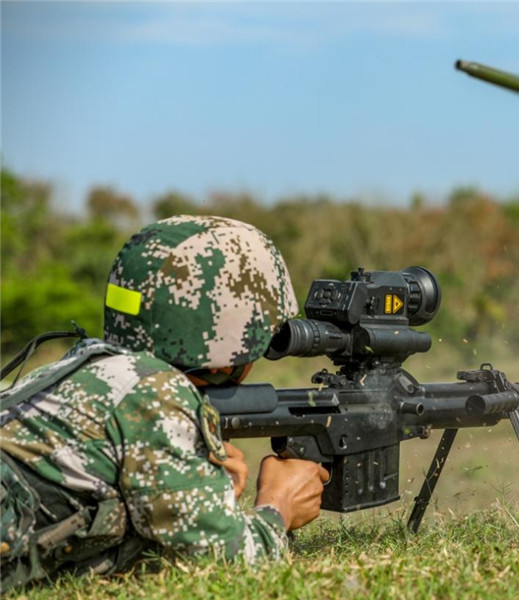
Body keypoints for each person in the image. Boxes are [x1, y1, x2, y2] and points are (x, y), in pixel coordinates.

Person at [0, 215, 328, 589]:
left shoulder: (87, 367)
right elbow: (229, 561)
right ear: (230, 335)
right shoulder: (154, 392)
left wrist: (197, 485)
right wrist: (279, 505)